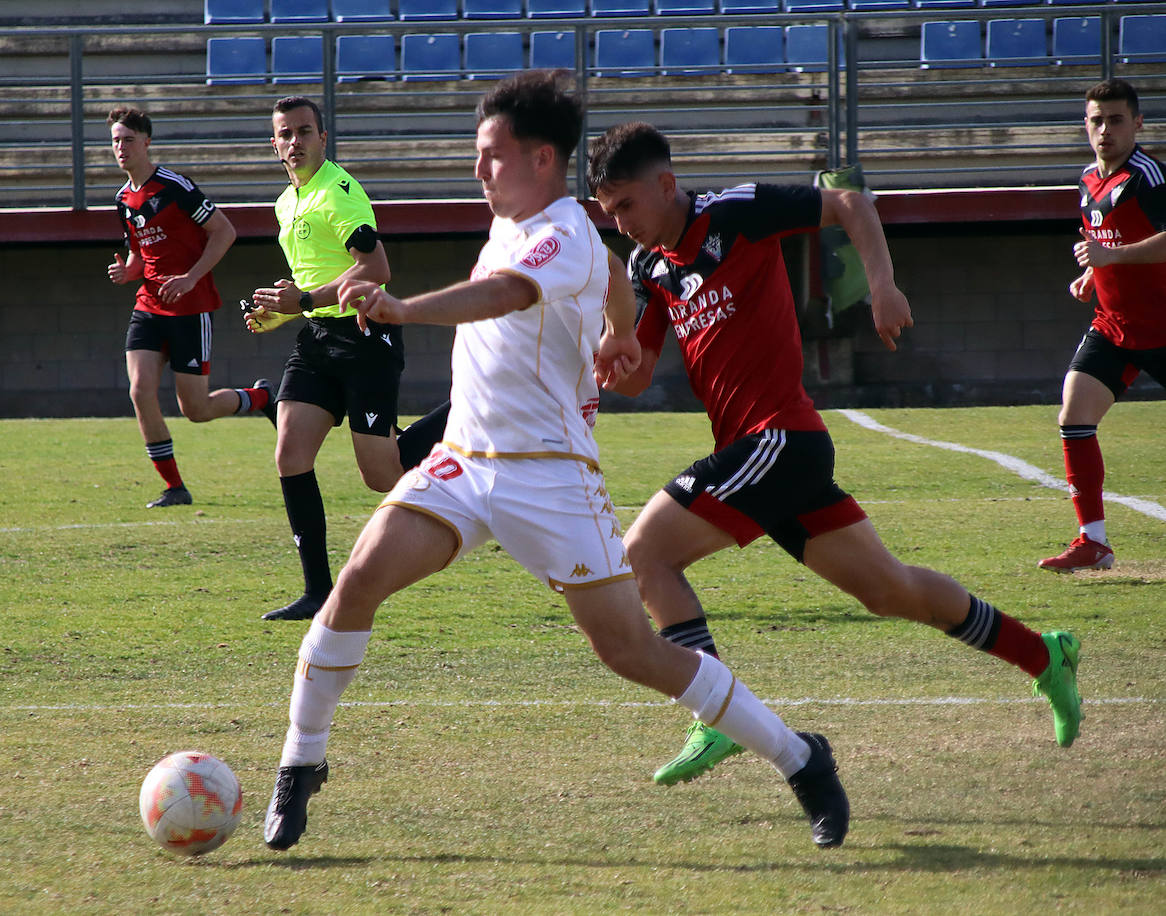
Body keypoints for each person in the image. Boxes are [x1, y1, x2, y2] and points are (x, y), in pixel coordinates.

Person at [262, 71, 850, 855]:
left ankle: (800, 755)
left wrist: (405, 309)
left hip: (551, 477)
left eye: (491, 155)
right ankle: (300, 765)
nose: (479, 170)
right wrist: (622, 330)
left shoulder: (564, 230)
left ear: (543, 159)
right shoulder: (529, 222)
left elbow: (505, 293)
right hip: (464, 463)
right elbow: (613, 274)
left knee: (632, 652)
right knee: (360, 578)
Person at [585, 121, 1084, 788]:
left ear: (667, 184)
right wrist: (607, 355)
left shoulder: (734, 212)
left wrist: (882, 285)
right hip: (766, 454)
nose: (618, 223)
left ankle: (713, 711)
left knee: (644, 553)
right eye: (607, 212)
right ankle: (1045, 656)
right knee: (891, 590)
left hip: (780, 441)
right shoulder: (649, 267)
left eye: (625, 205)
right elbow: (640, 371)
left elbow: (850, 202)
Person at [244, 96, 447, 621]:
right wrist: (282, 312)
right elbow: (312, 284)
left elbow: (376, 269)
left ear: (322, 138)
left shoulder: (339, 192)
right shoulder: (285, 203)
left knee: (382, 474)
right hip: (317, 339)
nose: (295, 142)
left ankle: (471, 407)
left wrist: (305, 302)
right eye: (285, 134)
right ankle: (317, 592)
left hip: (363, 338)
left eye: (305, 132)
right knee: (290, 452)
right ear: (274, 144)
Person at [106, 106, 272, 509]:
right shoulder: (123, 199)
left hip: (190, 306)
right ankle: (174, 487)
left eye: (128, 140)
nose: (121, 148)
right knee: (140, 390)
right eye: (115, 141)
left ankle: (261, 398)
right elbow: (139, 253)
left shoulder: (174, 186)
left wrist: (191, 277)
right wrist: (129, 272)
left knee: (195, 409)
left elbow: (224, 231)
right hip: (148, 306)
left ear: (147, 142)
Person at [1043, 78, 1166, 572]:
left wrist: (1110, 255)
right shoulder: (1088, 179)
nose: (1105, 130)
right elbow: (1105, 237)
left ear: (1137, 124)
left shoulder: (1148, 177)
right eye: (1097, 120)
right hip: (1115, 326)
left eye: (1116, 120)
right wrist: (1094, 274)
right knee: (1074, 417)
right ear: (1085, 125)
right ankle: (1093, 542)